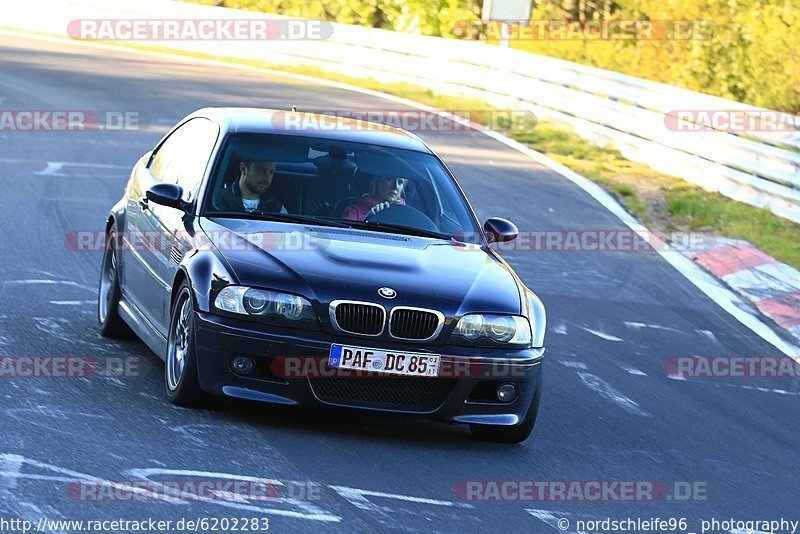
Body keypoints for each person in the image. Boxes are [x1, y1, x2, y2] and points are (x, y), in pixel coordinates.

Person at [216, 160, 287, 214]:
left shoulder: (275, 206)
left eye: (271, 172)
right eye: (261, 170)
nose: (267, 177)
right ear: (243, 169)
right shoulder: (218, 201)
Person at [341, 176, 407, 221]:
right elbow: (344, 235)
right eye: (389, 179)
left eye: (400, 182)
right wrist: (369, 218)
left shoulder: (406, 213)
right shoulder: (354, 211)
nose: (395, 186)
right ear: (377, 181)